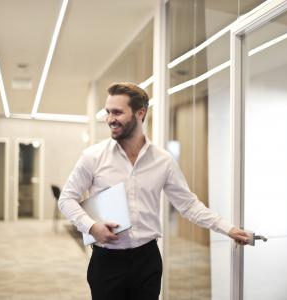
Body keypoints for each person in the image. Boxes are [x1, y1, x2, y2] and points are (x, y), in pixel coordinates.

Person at [58, 82, 254, 300]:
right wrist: (91, 226)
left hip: (147, 260)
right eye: (108, 112)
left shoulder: (163, 160)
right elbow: (66, 199)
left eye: (117, 112)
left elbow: (188, 205)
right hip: (107, 262)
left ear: (140, 113)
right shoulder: (93, 156)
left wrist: (227, 228)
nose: (110, 119)